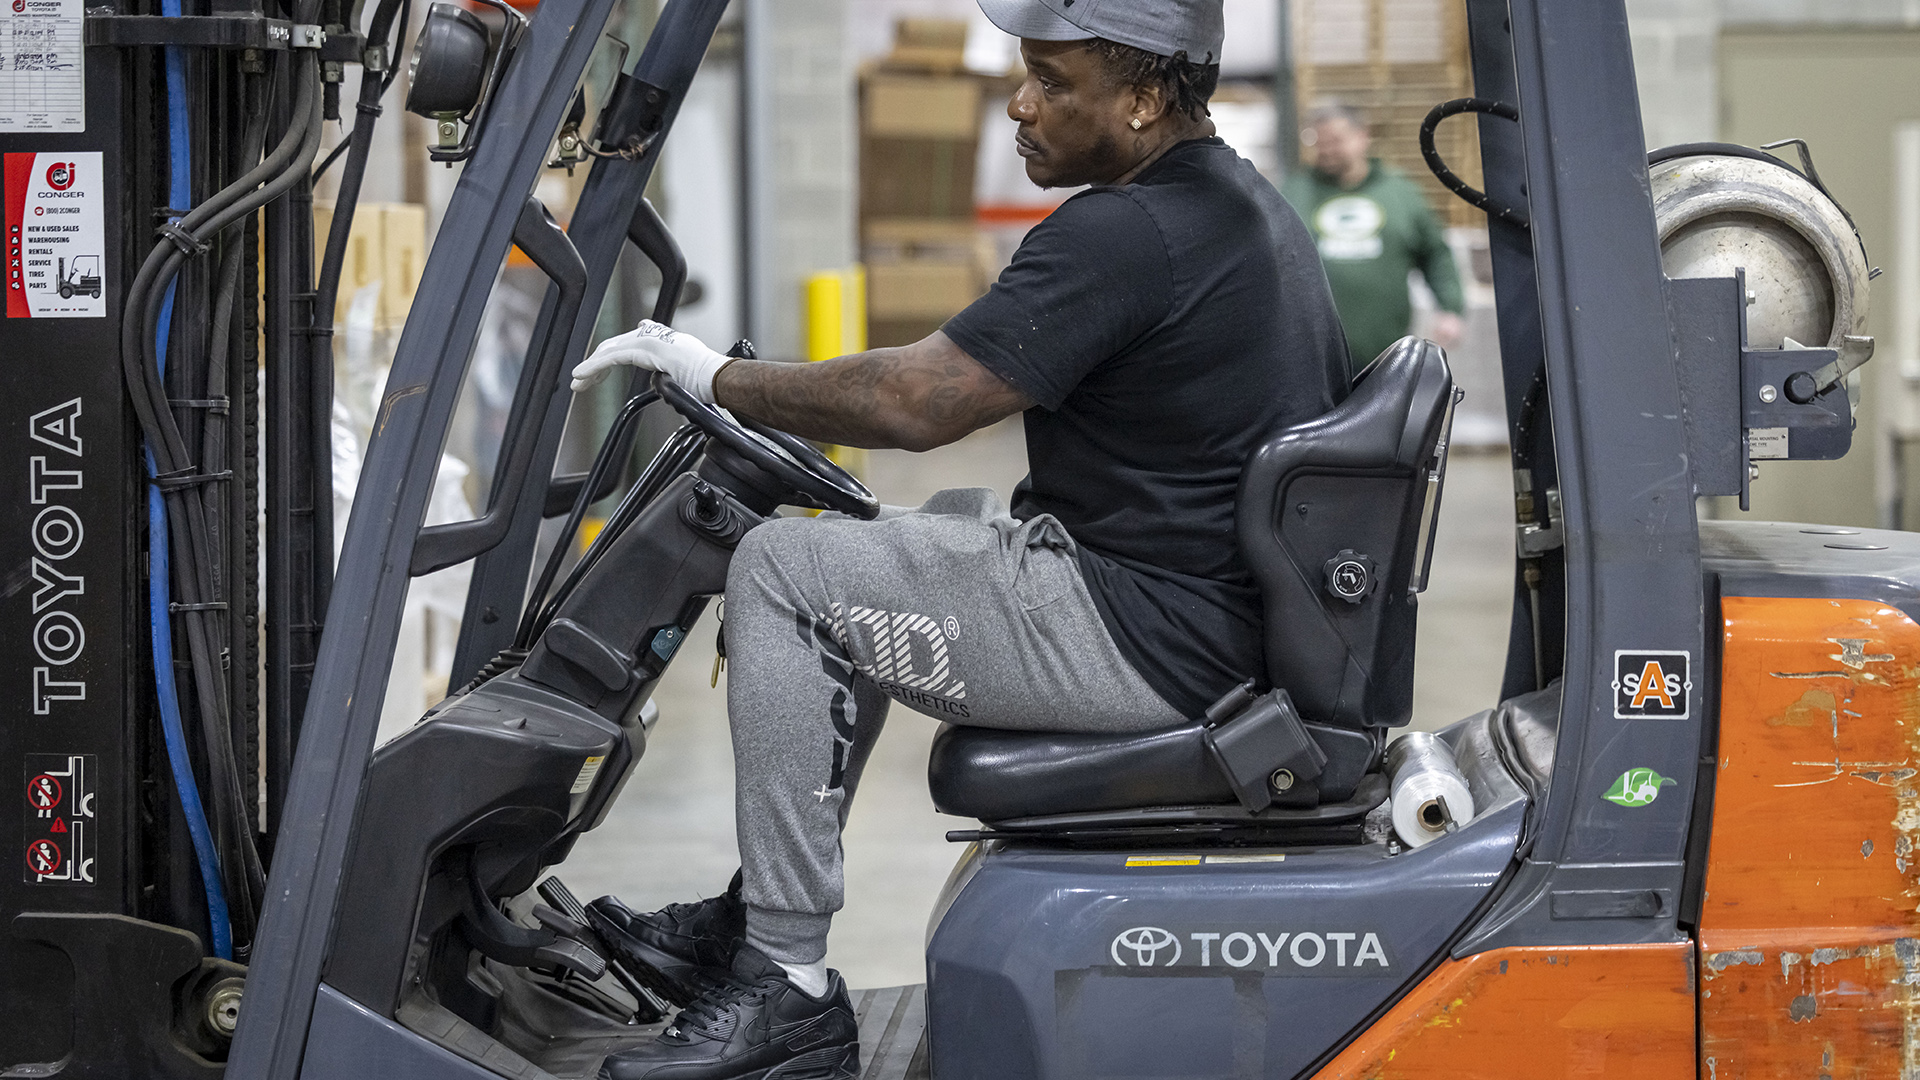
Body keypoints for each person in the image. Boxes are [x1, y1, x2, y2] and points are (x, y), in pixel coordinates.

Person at [569, 1, 1348, 1076]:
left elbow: (918, 402)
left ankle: (783, 981)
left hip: (1154, 637)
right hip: (1188, 611)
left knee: (784, 570)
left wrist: (708, 375)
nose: (1019, 105)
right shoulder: (1225, 203)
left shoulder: (1128, 232)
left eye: (1052, 82)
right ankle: (766, 904)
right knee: (927, 530)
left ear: (1145, 95)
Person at [1281, 102, 1466, 376]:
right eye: (1319, 142)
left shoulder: (1398, 192)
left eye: (1336, 140)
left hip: (1385, 357)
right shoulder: (1294, 192)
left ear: (1362, 137)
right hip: (1310, 361)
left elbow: (1435, 253)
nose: (1327, 150)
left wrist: (1450, 307)